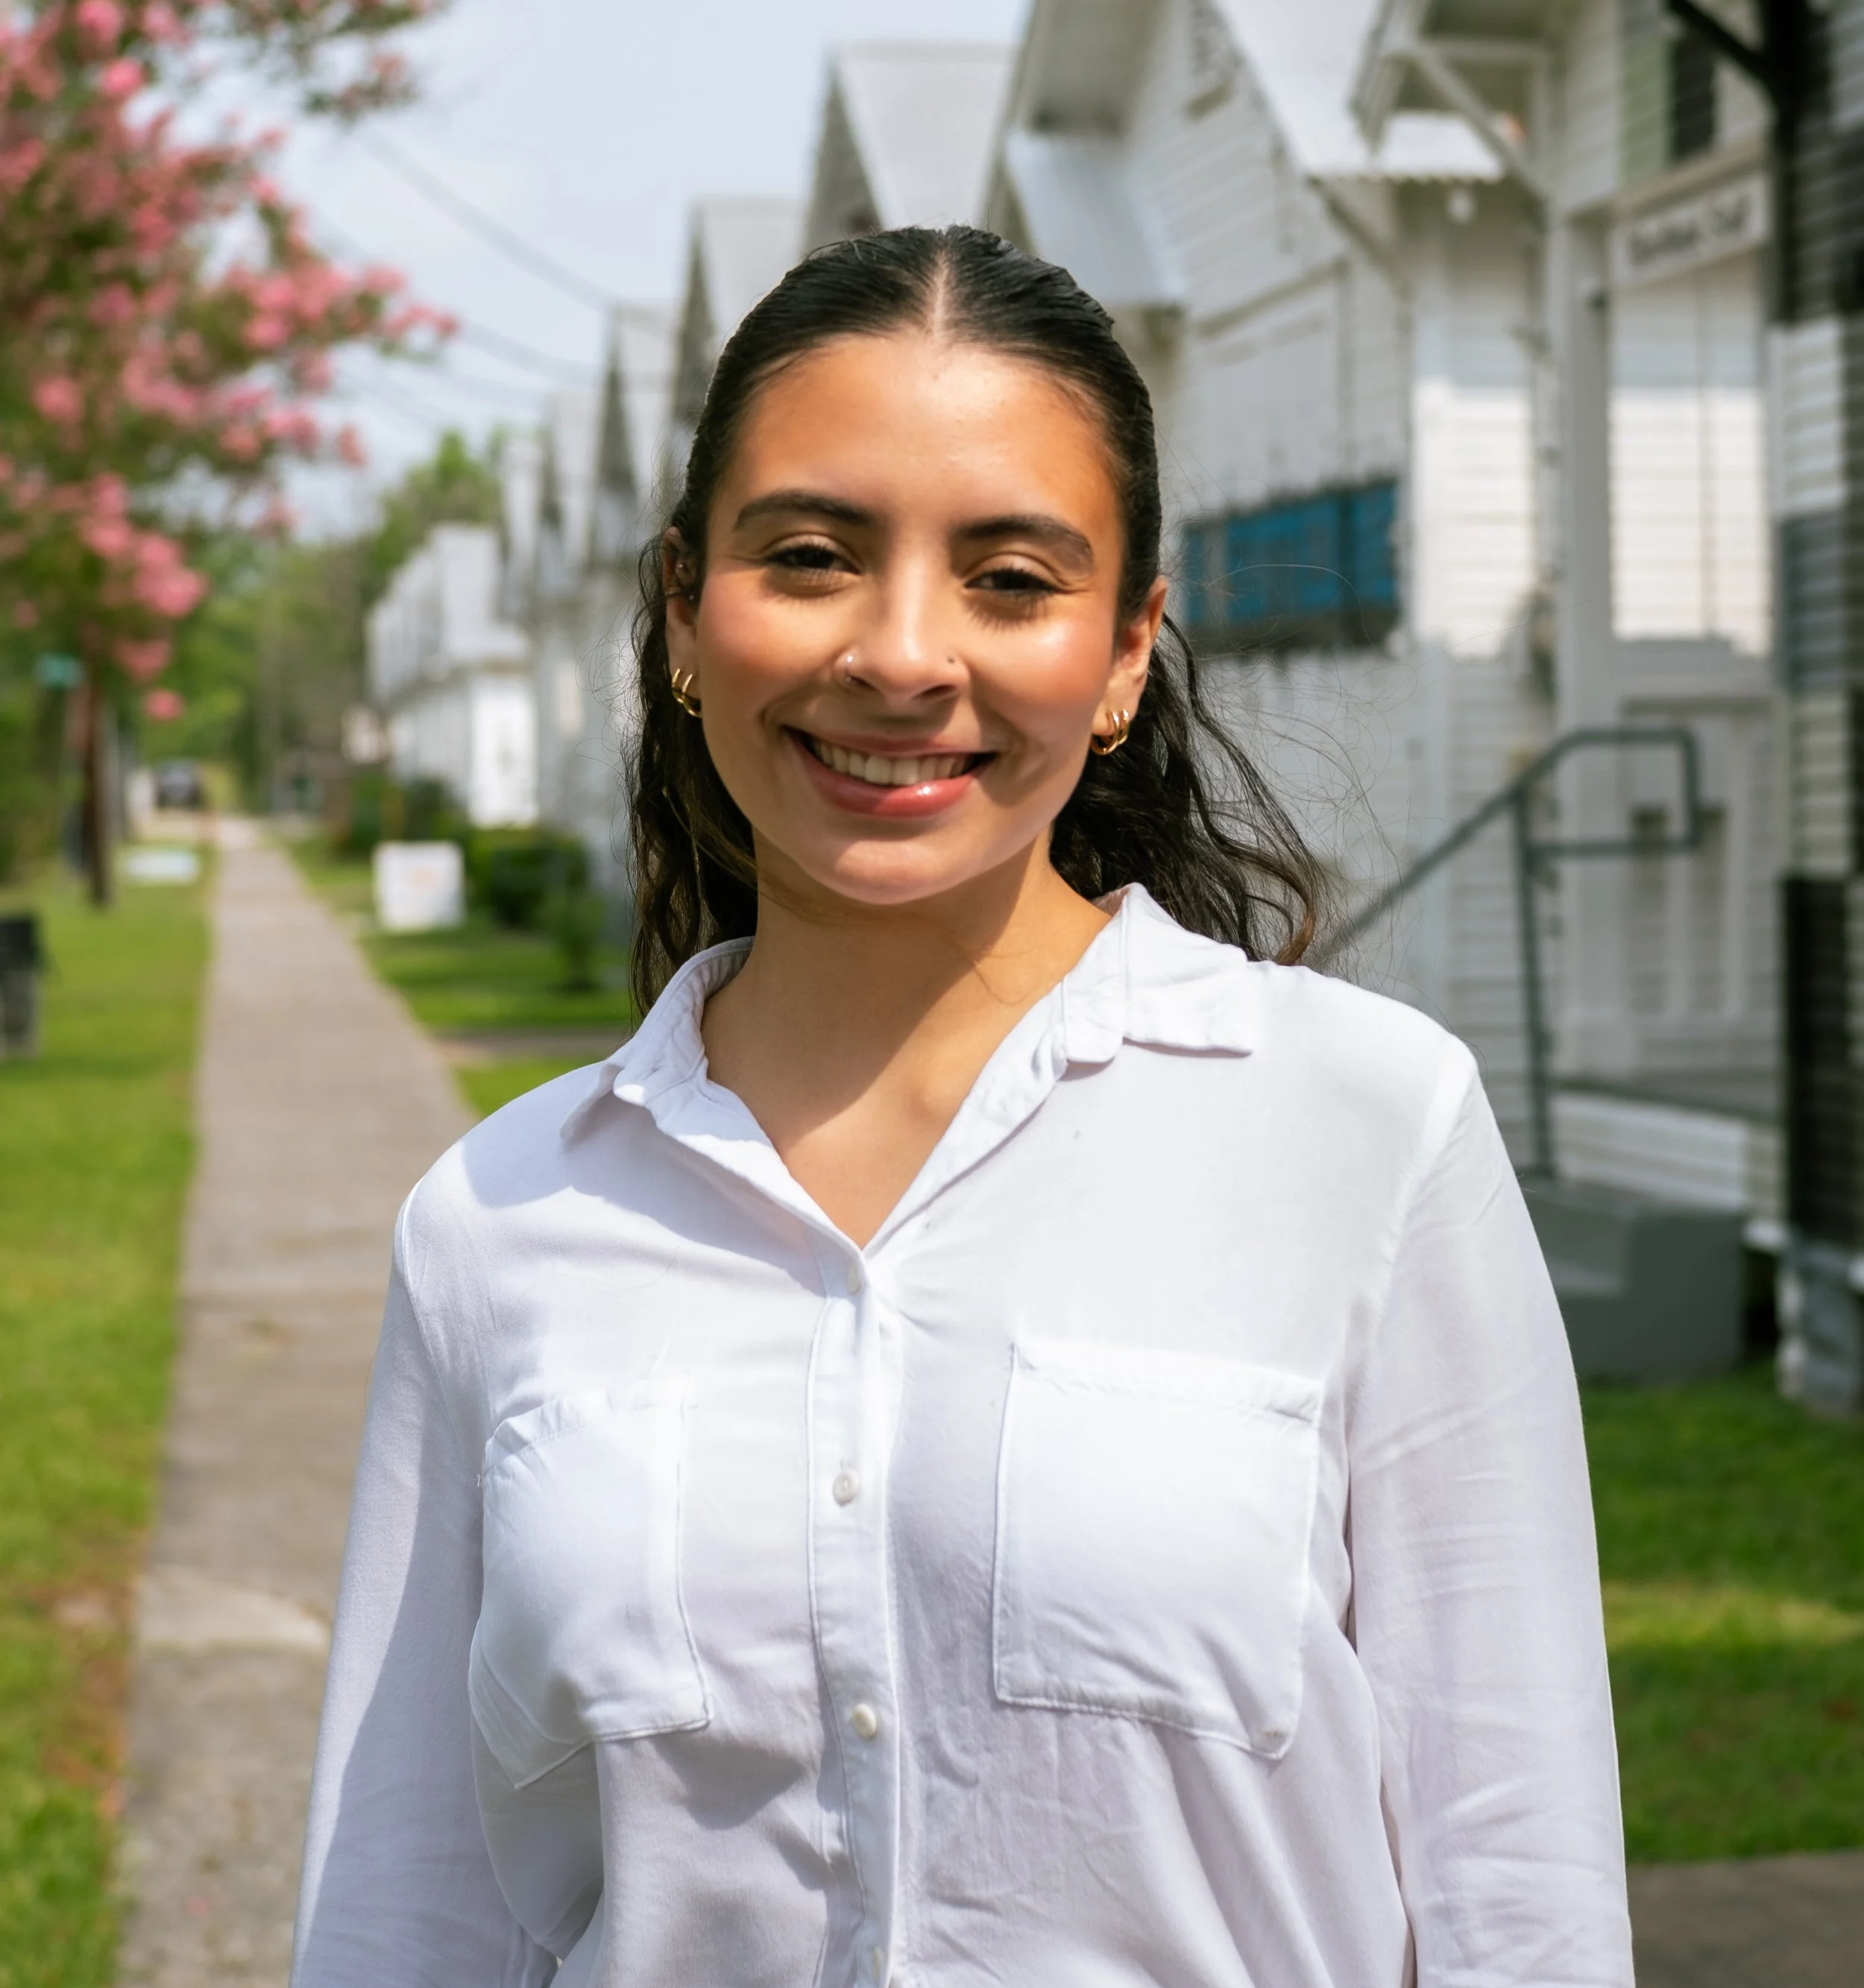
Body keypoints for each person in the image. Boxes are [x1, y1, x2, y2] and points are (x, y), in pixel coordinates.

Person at [292, 227, 1631, 1988]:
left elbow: (1513, 1886)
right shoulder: (505, 1218)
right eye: (810, 557)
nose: (903, 655)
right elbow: (407, 1911)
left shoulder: (1363, 1132)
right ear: (687, 609)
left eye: (1008, 577)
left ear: (1128, 647)